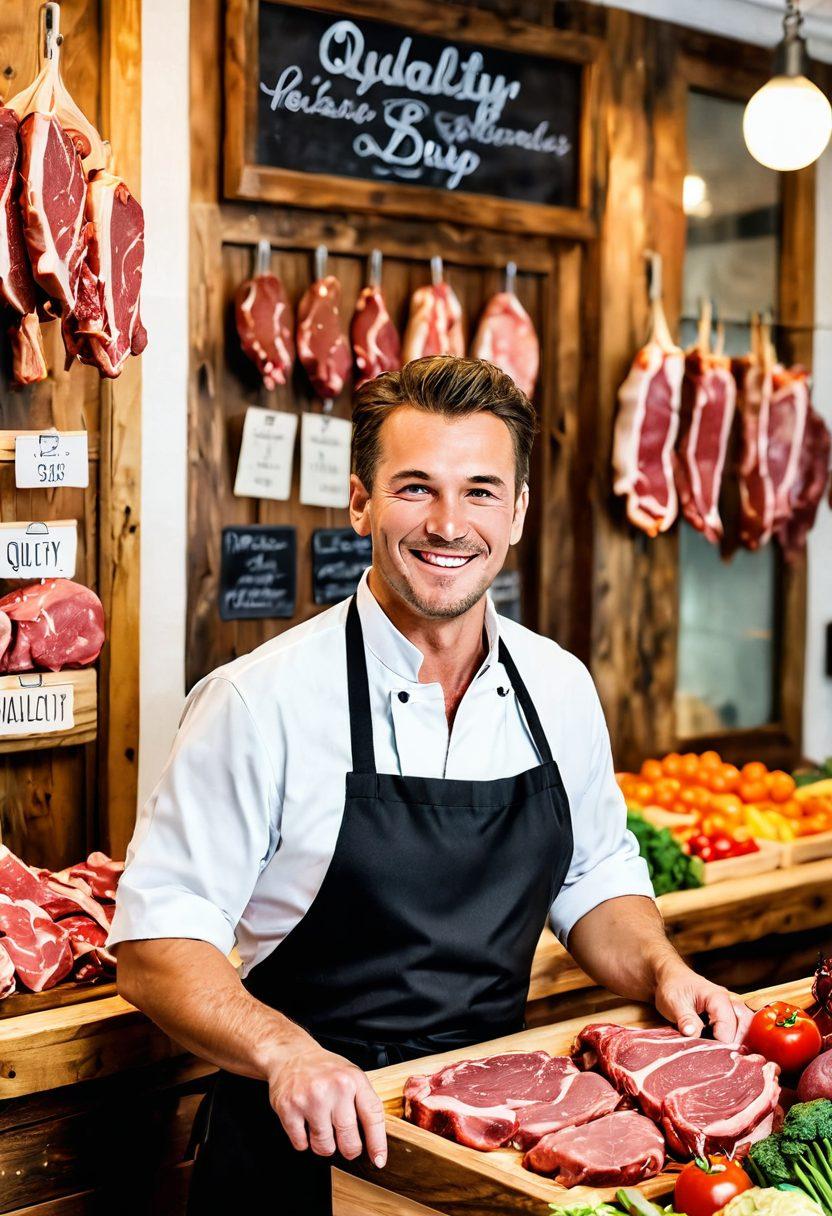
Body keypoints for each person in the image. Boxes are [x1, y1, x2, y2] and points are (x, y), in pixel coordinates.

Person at [110, 356, 752, 1215]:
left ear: (517, 513)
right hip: (298, 1152)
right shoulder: (258, 701)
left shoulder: (557, 688)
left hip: (491, 1140)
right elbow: (157, 948)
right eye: (416, 488)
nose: (449, 524)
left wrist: (664, 971)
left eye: (481, 491)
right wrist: (287, 1053)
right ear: (359, 503)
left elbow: (594, 878)